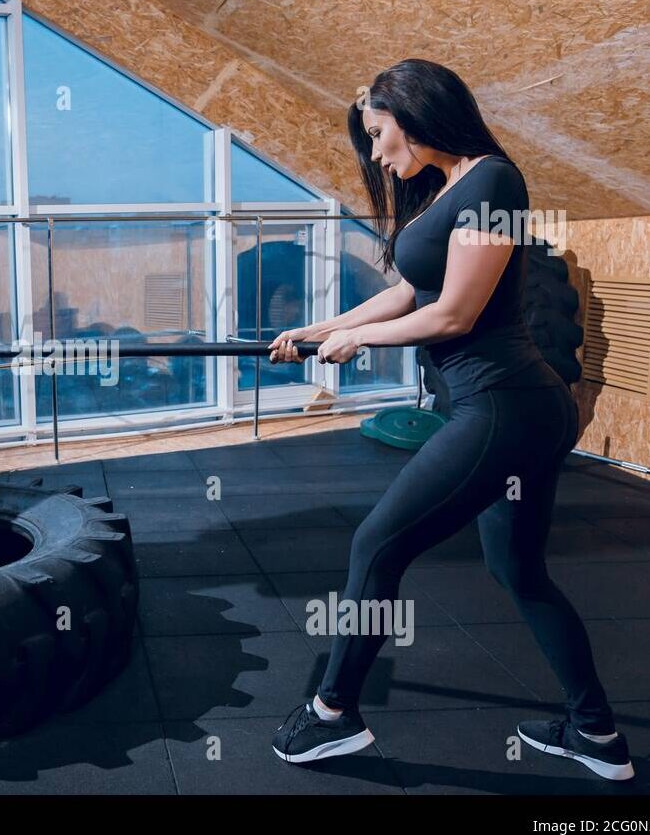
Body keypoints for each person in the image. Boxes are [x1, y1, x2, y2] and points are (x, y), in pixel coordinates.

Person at [267, 58, 633, 781]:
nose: (375, 153)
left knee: (376, 544)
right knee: (519, 570)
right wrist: (319, 330)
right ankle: (595, 733)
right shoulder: (452, 188)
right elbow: (410, 291)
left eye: (377, 135)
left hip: (503, 406)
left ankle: (333, 715)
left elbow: (455, 312)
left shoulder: (495, 181)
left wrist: (357, 341)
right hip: (515, 410)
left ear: (416, 111)